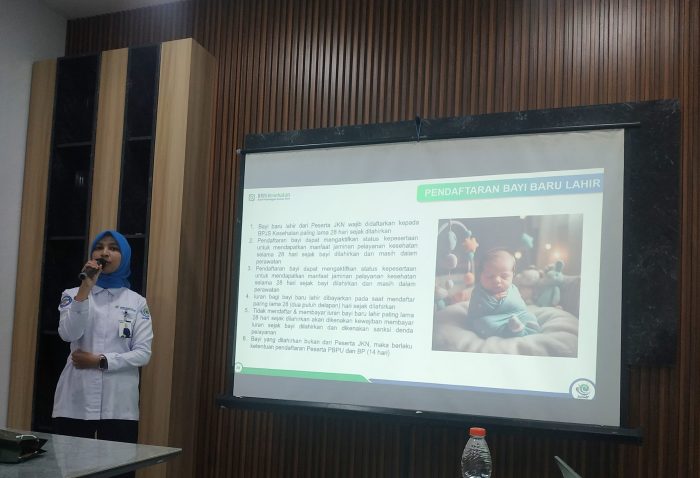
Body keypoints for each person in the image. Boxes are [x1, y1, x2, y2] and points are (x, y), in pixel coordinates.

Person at [52, 230, 153, 478]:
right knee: (72, 472)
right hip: (76, 402)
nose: (104, 253)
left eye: (113, 248)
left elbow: (142, 353)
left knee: (118, 473)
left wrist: (101, 361)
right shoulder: (71, 294)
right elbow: (68, 333)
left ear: (124, 257)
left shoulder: (136, 302)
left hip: (118, 406)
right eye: (99, 247)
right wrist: (85, 289)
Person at [465, 248, 540, 338]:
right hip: (494, 320)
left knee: (530, 317)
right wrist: (493, 299)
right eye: (490, 276)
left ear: (512, 275)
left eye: (504, 276)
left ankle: (519, 329)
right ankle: (514, 331)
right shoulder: (478, 292)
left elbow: (520, 307)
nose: (497, 280)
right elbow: (476, 312)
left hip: (516, 316)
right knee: (485, 324)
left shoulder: (513, 289)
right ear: (480, 275)